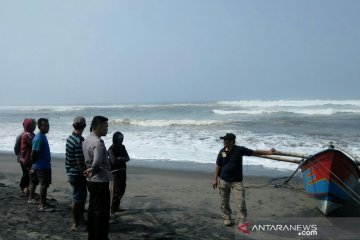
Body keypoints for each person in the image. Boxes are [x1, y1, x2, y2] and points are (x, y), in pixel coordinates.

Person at [212, 133, 275, 228]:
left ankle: (242, 222)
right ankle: (227, 218)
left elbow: (254, 152)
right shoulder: (222, 152)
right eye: (224, 140)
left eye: (226, 140)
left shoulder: (239, 150)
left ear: (232, 141)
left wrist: (268, 152)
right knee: (224, 201)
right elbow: (218, 166)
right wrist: (215, 179)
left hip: (237, 181)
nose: (224, 142)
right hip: (224, 180)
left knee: (241, 203)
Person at [83, 116, 111, 240]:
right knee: (102, 212)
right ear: (98, 126)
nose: (107, 129)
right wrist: (93, 168)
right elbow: (97, 160)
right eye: (106, 126)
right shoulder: (97, 142)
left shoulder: (87, 139)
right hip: (100, 180)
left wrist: (91, 169)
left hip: (91, 180)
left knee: (93, 209)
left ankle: (92, 235)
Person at [65, 116, 88, 230]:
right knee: (77, 198)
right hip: (77, 173)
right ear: (84, 126)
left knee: (81, 197)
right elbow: (80, 161)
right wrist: (87, 172)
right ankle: (76, 223)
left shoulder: (70, 138)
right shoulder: (78, 141)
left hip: (71, 172)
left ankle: (80, 219)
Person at [31, 118, 53, 211]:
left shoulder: (42, 136)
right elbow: (34, 153)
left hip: (43, 165)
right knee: (43, 185)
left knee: (40, 183)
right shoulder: (39, 137)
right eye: (46, 126)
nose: (48, 127)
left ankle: (37, 200)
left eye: (48, 125)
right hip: (41, 166)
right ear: (39, 127)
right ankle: (42, 205)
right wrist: (33, 164)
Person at [108, 131, 130, 214]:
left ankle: (117, 207)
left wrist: (120, 159)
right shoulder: (111, 148)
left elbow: (128, 158)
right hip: (115, 172)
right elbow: (113, 161)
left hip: (123, 170)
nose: (121, 140)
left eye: (122, 138)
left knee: (122, 190)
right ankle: (112, 209)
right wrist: (121, 159)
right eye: (120, 139)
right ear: (115, 139)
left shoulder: (122, 147)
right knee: (115, 191)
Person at [19, 119, 36, 198]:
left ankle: (28, 189)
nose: (35, 126)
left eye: (35, 124)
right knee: (26, 174)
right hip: (25, 159)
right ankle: (23, 187)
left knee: (30, 174)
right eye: (33, 124)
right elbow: (33, 144)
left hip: (30, 158)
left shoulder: (32, 134)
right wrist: (19, 156)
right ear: (28, 125)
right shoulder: (25, 135)